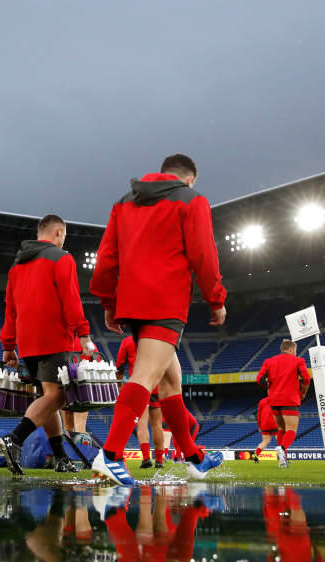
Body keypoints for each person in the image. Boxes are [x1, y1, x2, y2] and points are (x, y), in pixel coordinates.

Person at [89, 154, 226, 484]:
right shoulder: (192, 199)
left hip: (132, 301)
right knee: (146, 374)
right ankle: (110, 454)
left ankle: (193, 457)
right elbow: (204, 254)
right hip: (165, 301)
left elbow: (106, 258)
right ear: (189, 179)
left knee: (170, 381)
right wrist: (216, 299)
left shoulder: (124, 203)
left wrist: (108, 302)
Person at [0, 214, 96, 475]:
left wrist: (8, 344)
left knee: (48, 397)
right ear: (58, 232)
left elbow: (10, 308)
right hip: (53, 337)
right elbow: (71, 298)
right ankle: (15, 438)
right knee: (57, 396)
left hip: (27, 342)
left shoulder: (16, 266)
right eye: (64, 235)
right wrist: (83, 334)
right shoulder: (61, 258)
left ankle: (61, 457)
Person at [256, 339, 310, 468]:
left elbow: (259, 379)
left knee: (281, 429)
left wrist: (270, 387)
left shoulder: (268, 361)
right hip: (290, 399)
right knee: (291, 430)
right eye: (295, 350)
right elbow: (306, 378)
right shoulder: (298, 361)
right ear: (291, 349)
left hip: (274, 400)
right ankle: (282, 448)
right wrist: (303, 392)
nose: (296, 353)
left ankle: (282, 460)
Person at [116, 334, 165, 469]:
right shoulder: (157, 339)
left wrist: (119, 386)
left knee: (142, 423)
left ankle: (146, 458)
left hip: (140, 385)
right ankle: (159, 461)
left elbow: (119, 366)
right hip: (156, 385)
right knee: (157, 424)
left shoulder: (127, 341)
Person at [252, 397, 279, 463]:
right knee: (281, 442)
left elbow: (258, 415)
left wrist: (260, 426)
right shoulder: (278, 399)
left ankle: (255, 454)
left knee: (265, 442)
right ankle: (284, 458)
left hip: (265, 424)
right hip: (275, 423)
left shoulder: (262, 401)